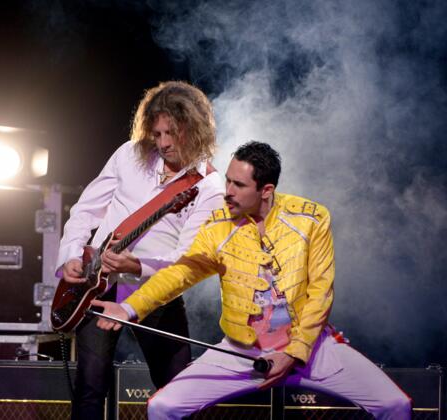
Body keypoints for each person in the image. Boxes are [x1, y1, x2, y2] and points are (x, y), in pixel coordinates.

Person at [93, 141, 413, 419]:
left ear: (266, 191)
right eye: (227, 180)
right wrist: (129, 308)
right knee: (163, 407)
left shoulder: (312, 219)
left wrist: (293, 352)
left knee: (396, 405)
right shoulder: (218, 224)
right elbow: (181, 272)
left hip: (310, 348)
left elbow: (320, 293)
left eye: (238, 185)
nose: (227, 191)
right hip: (241, 353)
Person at [55, 81, 225, 419]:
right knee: (90, 388)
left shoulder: (210, 187)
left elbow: (187, 259)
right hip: (96, 285)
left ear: (196, 129)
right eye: (157, 133)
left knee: (175, 390)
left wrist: (137, 267)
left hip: (155, 291)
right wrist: (72, 255)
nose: (163, 143)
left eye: (172, 133)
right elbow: (86, 210)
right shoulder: (129, 155)